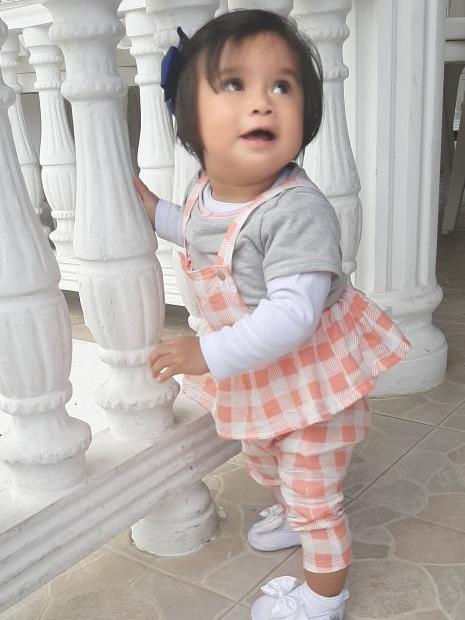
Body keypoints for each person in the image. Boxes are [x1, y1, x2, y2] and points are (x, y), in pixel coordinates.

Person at [134, 9, 410, 620]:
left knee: (314, 493)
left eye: (282, 86)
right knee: (262, 455)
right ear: (189, 120)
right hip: (264, 374)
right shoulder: (207, 190)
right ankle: (290, 509)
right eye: (234, 85)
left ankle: (323, 597)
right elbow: (203, 234)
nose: (262, 102)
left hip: (314, 377)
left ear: (306, 115)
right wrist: (156, 212)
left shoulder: (297, 210)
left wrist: (205, 352)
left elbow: (292, 315)